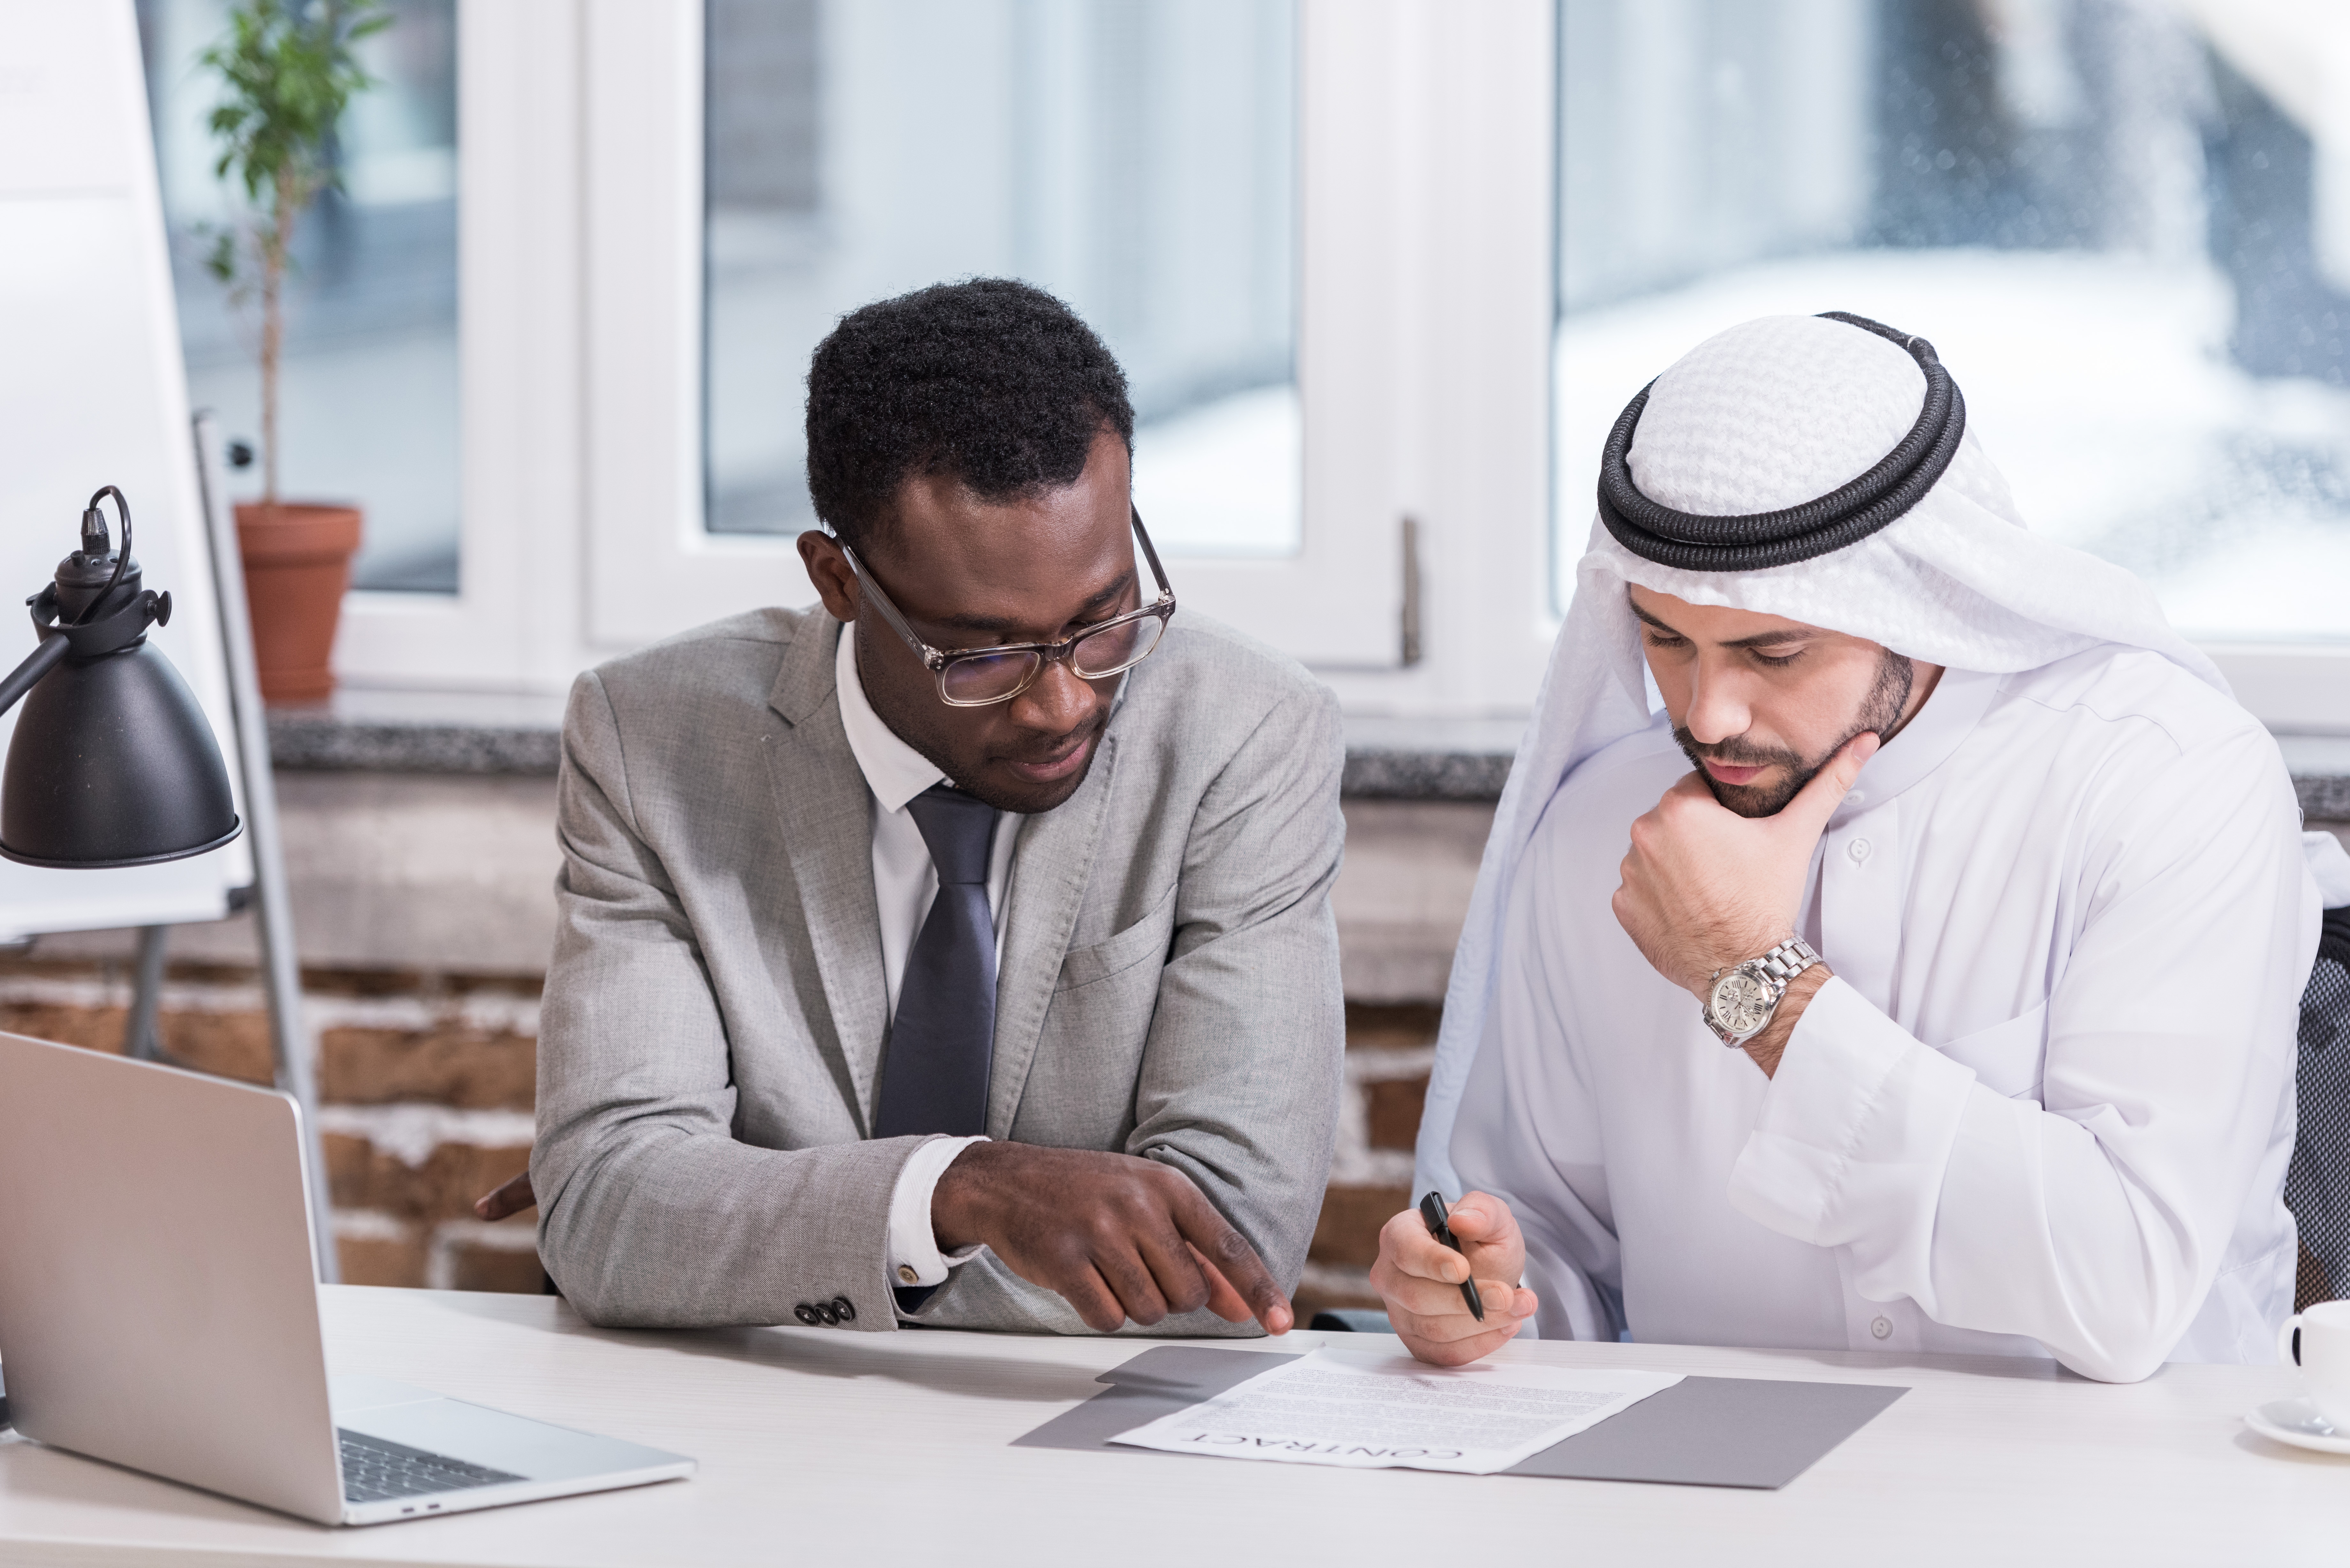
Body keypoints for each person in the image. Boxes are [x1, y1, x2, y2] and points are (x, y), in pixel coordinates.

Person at [1371, 310, 2330, 1382]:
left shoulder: (2164, 779)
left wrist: (1755, 984)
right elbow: (1548, 1251)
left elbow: (2129, 1289)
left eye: (1772, 651)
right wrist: (1475, 1298)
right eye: (1665, 640)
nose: (1710, 711)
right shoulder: (1606, 825)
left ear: (1919, 600)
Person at [498, 279, 1344, 1337]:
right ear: (838, 582)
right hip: (761, 1442)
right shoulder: (653, 741)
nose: (1065, 700)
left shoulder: (1247, 735)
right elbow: (608, 1211)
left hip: (1093, 1456)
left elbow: (1227, 1254)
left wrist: (736, 1234)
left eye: (1106, 618)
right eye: (983, 654)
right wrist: (954, 1193)